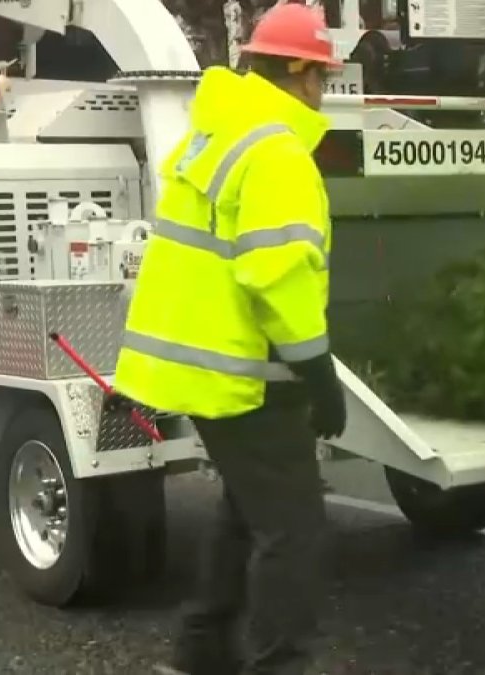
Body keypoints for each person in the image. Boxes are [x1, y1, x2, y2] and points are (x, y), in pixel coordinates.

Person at [115, 5, 347, 674]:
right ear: (298, 71)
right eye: (321, 77)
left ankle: (198, 653)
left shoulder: (217, 132)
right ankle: (277, 663)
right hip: (247, 372)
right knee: (294, 532)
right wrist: (319, 371)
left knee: (245, 511)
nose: (322, 91)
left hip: (199, 364)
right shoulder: (275, 150)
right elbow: (277, 273)